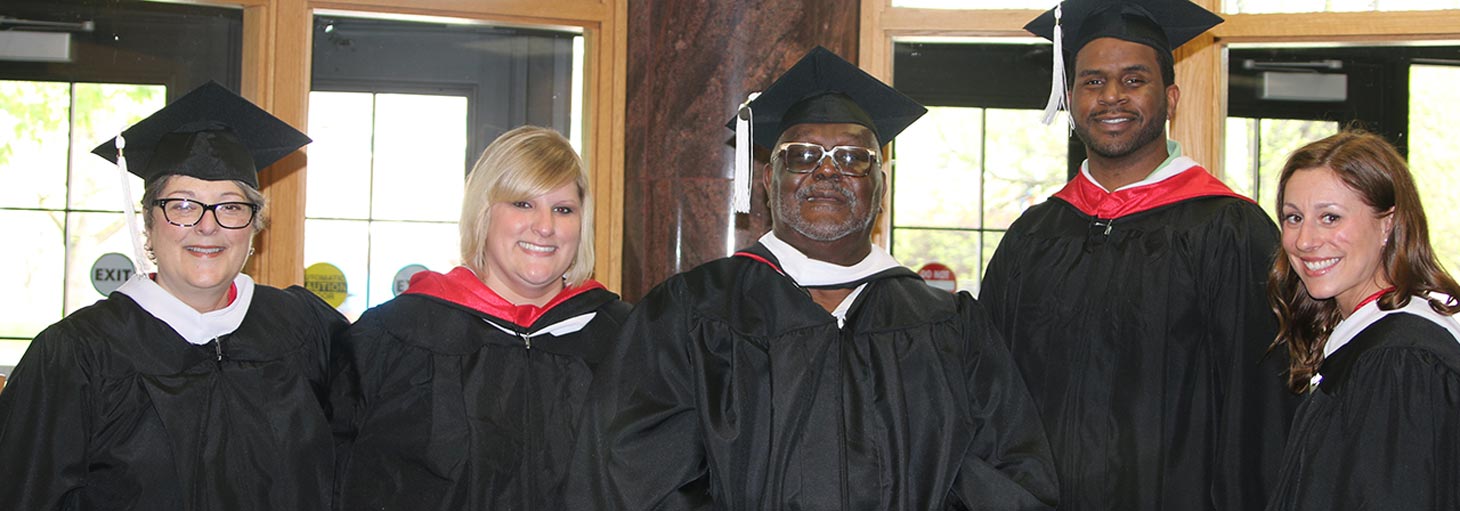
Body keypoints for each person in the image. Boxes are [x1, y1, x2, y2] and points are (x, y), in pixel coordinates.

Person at [568, 46, 1058, 510]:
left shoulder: (949, 328)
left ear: (880, 184)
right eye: (802, 156)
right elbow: (635, 475)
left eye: (852, 158)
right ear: (767, 180)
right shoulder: (690, 313)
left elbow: (1008, 474)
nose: (827, 172)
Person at [979, 1, 1297, 509]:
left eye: (1133, 80)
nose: (1110, 97)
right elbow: (990, 394)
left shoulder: (1230, 231)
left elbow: (1258, 413)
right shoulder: (1032, 238)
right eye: (1092, 81)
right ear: (1072, 97)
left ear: (1170, 98)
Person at [0, 81, 348, 510]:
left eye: (231, 205)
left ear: (255, 226)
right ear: (149, 222)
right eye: (182, 205)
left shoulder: (304, 329)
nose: (207, 225)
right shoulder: (77, 355)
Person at [330, 126, 630, 510]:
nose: (545, 226)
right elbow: (345, 478)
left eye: (563, 209)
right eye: (523, 204)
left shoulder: (621, 338)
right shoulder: (398, 334)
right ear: (484, 213)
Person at [1263, 130, 1460, 510]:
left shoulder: (1398, 362)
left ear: (1388, 223)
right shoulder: (1372, 339)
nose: (1304, 240)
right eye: (1293, 217)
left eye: (1330, 217)